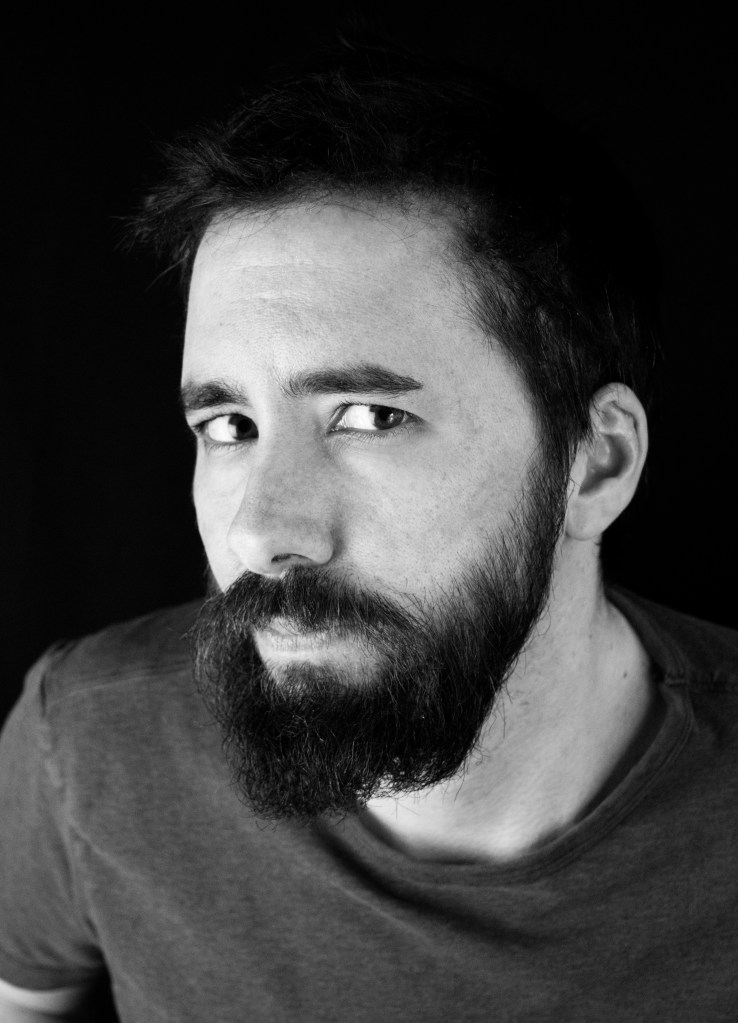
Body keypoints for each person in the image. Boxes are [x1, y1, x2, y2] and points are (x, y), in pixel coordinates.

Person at [0, 39, 736, 1023]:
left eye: (370, 416)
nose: (260, 532)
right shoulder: (88, 741)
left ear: (596, 462)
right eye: (229, 426)